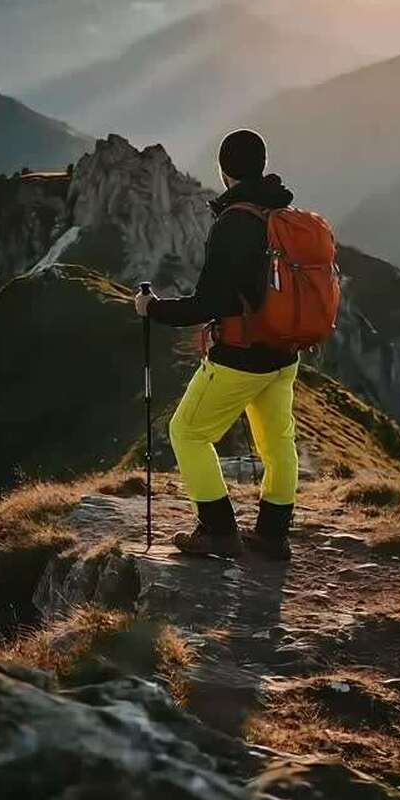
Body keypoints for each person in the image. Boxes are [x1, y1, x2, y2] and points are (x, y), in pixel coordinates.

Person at [134, 129, 298, 562]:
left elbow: (212, 302)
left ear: (224, 172)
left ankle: (218, 530)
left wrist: (153, 309)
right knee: (278, 442)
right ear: (261, 166)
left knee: (186, 432)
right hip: (283, 352)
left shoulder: (235, 222)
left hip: (242, 356)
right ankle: (273, 535)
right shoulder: (279, 213)